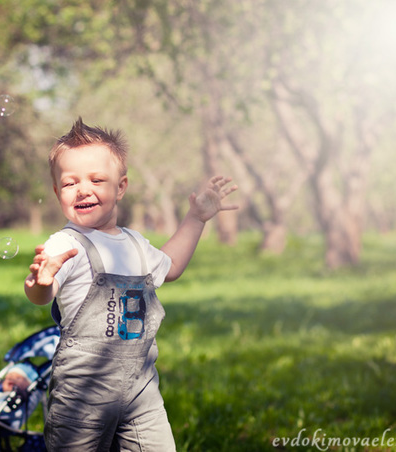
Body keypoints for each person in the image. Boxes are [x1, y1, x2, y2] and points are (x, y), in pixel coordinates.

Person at [24, 117, 238, 451]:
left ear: (120, 187)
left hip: (141, 391)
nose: (83, 189)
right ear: (56, 191)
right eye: (70, 183)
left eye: (97, 179)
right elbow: (41, 295)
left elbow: (172, 266)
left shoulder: (136, 243)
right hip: (82, 396)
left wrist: (195, 219)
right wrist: (41, 279)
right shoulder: (65, 244)